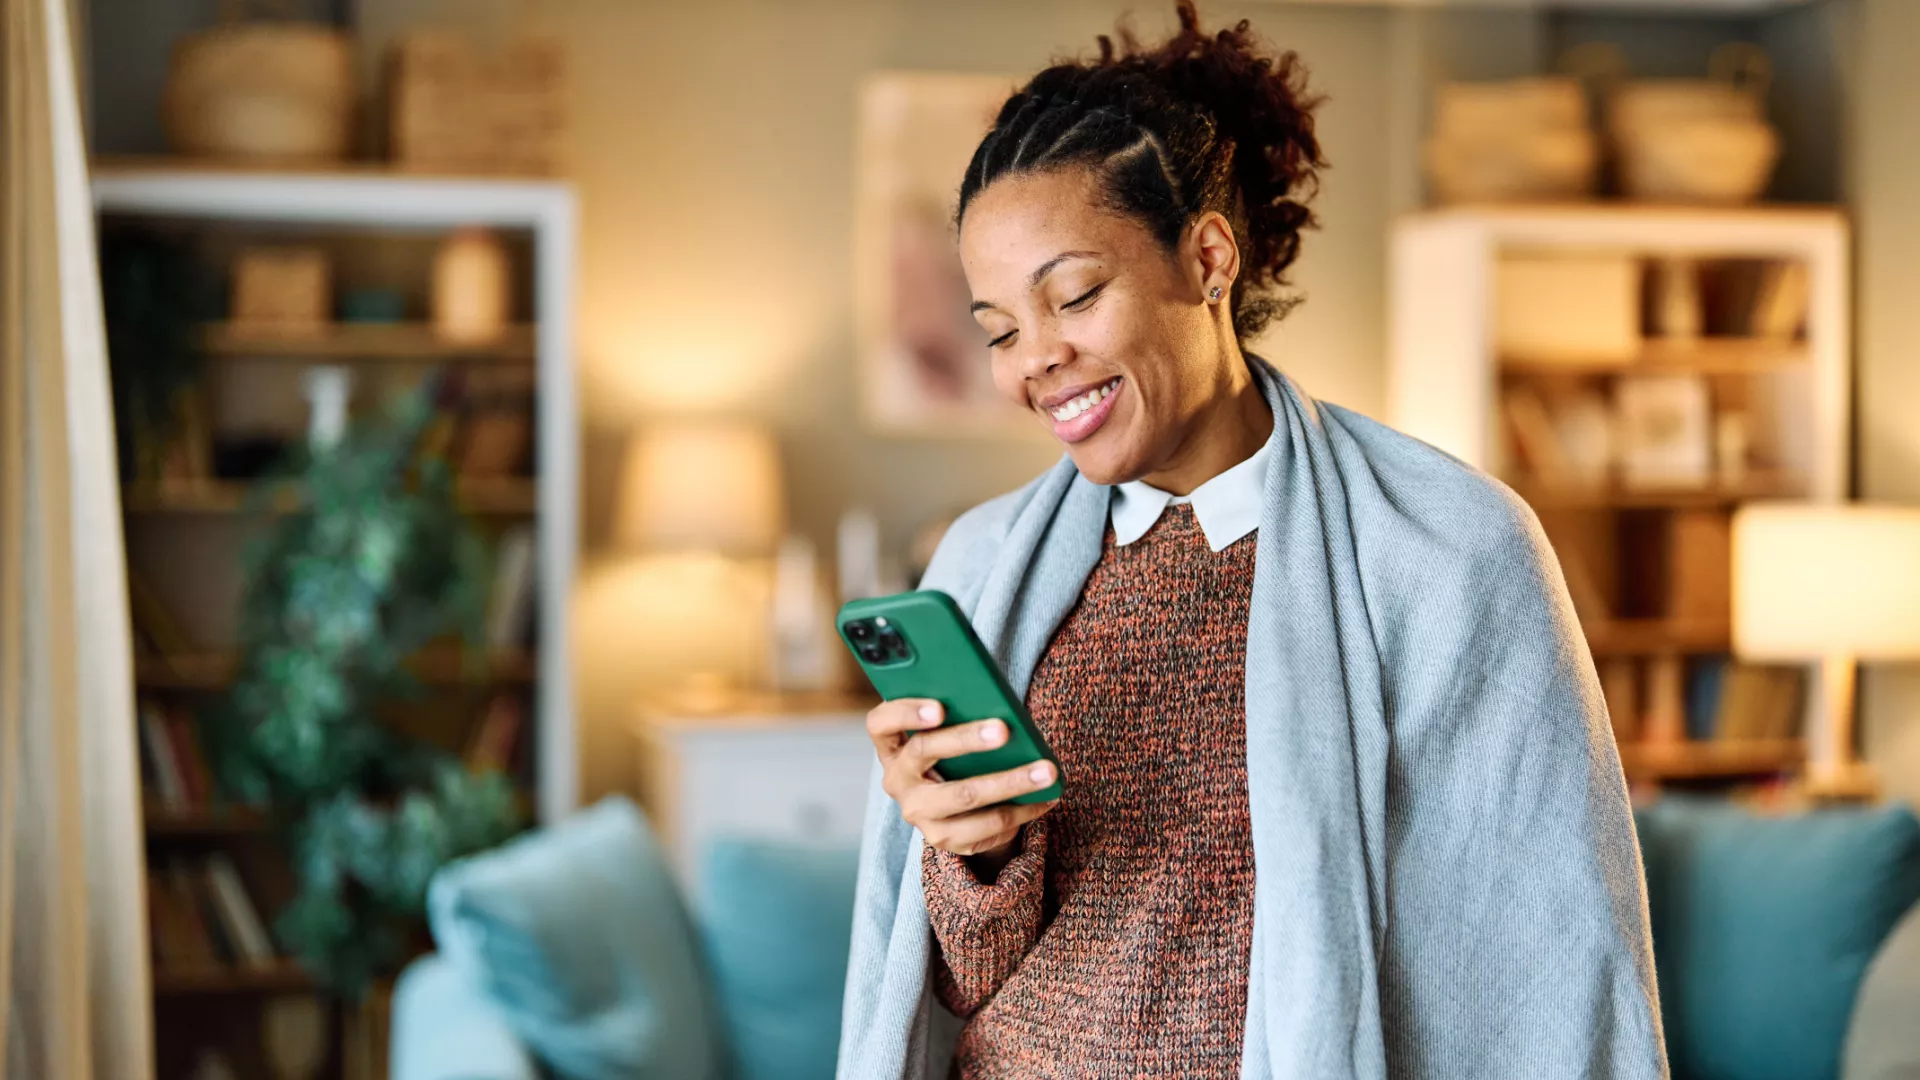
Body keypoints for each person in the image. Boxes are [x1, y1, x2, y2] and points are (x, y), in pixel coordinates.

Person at [839, 5, 1668, 1079]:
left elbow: (1541, 972)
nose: (1033, 361)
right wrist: (969, 847)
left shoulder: (1445, 554)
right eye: (998, 328)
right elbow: (963, 982)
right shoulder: (986, 568)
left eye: (1075, 295)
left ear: (1210, 259)